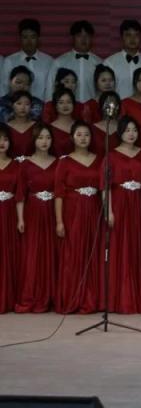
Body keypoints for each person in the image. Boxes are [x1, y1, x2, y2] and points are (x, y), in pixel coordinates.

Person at [53, 121, 103, 313]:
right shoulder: (64, 162)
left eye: (87, 134)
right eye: (79, 134)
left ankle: (93, 299)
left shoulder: (99, 160)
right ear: (72, 137)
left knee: (94, 252)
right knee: (73, 253)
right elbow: (59, 193)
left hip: (94, 209)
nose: (83, 138)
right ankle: (72, 297)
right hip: (73, 211)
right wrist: (59, 221)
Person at [14, 124, 58, 312]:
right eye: (40, 138)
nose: (44, 141)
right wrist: (20, 219)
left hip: (53, 211)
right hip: (33, 212)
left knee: (53, 252)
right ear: (34, 140)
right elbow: (20, 194)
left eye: (48, 137)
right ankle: (32, 295)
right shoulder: (25, 164)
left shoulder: (58, 163)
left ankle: (52, 295)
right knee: (33, 253)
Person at [106, 117, 141, 314]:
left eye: (134, 130)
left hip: (138, 203)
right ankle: (119, 298)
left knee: (137, 247)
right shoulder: (111, 156)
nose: (131, 134)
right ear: (120, 132)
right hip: (120, 204)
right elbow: (105, 187)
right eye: (127, 130)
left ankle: (137, 297)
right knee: (120, 248)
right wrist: (108, 210)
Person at [2, 18, 54, 100]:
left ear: (38, 38)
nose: (29, 42)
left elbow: (51, 89)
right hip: (15, 107)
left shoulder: (49, 61)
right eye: (25, 37)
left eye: (33, 37)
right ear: (20, 38)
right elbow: (4, 88)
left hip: (42, 106)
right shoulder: (9, 61)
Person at [0, 126, 18, 312]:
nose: (2, 143)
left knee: (9, 253)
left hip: (10, 214)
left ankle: (9, 297)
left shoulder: (16, 165)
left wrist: (20, 219)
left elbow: (20, 194)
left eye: (5, 139)